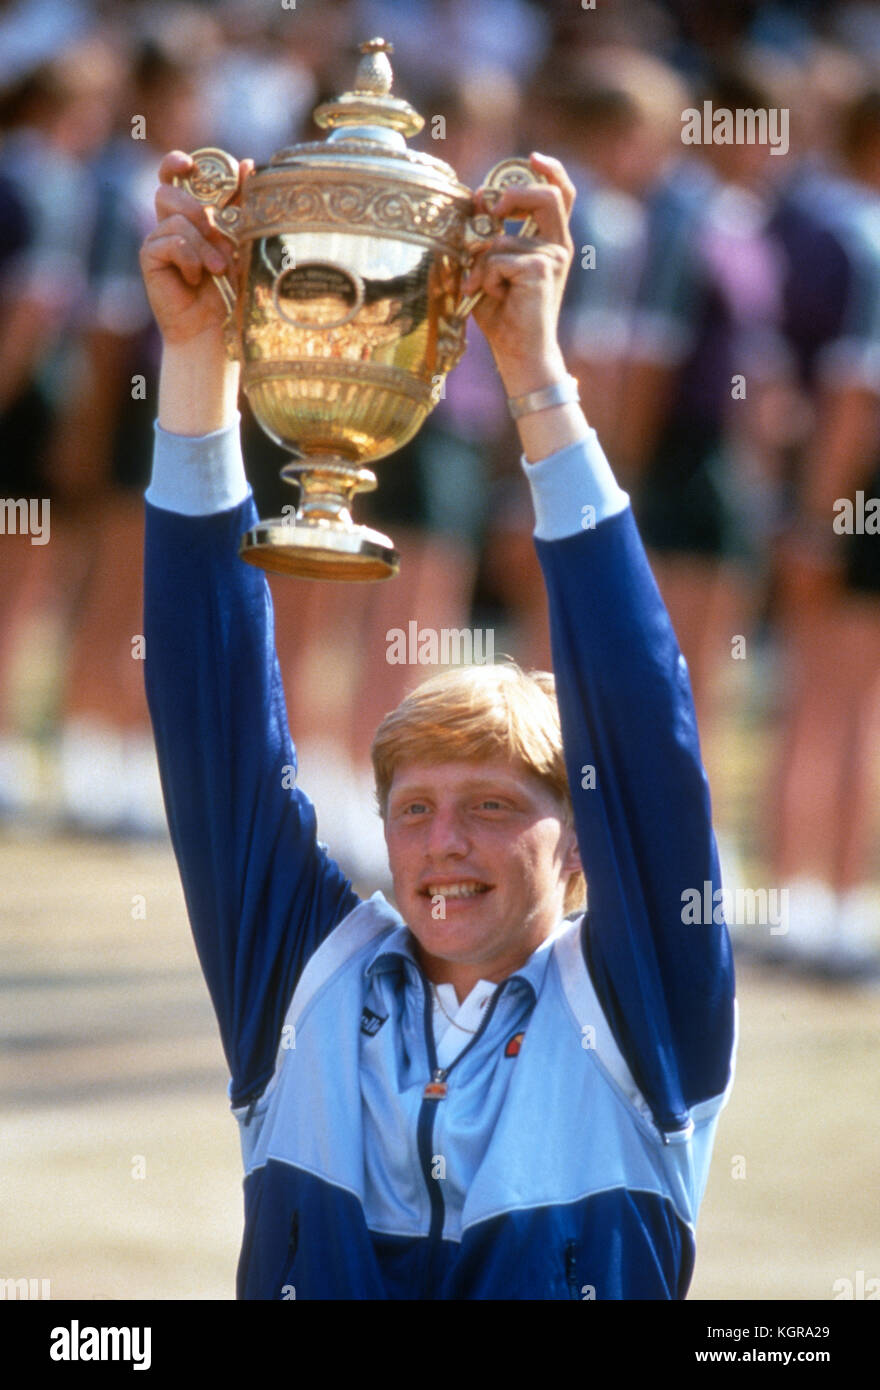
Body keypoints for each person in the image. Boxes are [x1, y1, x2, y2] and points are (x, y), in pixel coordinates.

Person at [139, 148, 736, 1300]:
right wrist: (199, 356)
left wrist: (533, 370)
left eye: (493, 806)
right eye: (411, 809)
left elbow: (643, 728)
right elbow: (210, 709)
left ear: (579, 841)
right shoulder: (308, 978)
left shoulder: (639, 1007)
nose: (440, 842)